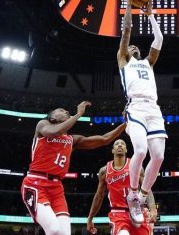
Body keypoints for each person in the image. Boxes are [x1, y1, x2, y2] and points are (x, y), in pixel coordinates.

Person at [21, 101, 126, 235]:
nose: (65, 112)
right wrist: (78, 114)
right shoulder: (43, 125)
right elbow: (55, 131)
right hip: (36, 183)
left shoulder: (72, 140)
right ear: (52, 117)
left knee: (65, 233)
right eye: (61, 110)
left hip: (56, 188)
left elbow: (105, 139)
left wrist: (126, 123)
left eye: (67, 111)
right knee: (53, 230)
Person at [117, 0, 166, 224]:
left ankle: (144, 194)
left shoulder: (148, 63)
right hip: (135, 107)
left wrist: (150, 15)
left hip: (154, 109)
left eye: (137, 47)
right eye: (130, 47)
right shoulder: (124, 60)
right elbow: (126, 31)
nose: (134, 46)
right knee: (140, 151)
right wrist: (128, 5)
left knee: (158, 156)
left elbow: (159, 40)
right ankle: (133, 194)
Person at [86, 139, 157, 235]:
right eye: (116, 144)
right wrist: (90, 218)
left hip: (137, 211)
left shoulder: (137, 167)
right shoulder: (104, 171)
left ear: (126, 150)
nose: (120, 145)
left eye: (122, 144)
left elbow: (147, 189)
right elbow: (99, 196)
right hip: (118, 213)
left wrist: (152, 209)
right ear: (113, 150)